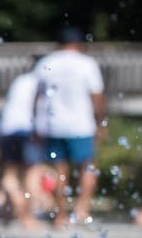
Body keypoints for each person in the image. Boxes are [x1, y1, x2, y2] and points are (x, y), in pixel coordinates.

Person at [32, 28, 105, 224]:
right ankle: (82, 210)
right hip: (81, 125)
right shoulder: (87, 64)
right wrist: (100, 122)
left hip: (54, 125)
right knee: (87, 167)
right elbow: (97, 96)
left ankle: (61, 213)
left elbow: (36, 98)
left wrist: (36, 125)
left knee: (58, 171)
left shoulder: (47, 62)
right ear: (78, 44)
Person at [0, 59, 41, 227]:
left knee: (10, 173)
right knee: (32, 173)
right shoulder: (43, 81)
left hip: (6, 129)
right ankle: (25, 214)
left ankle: (6, 215)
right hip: (28, 129)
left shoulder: (20, 80)